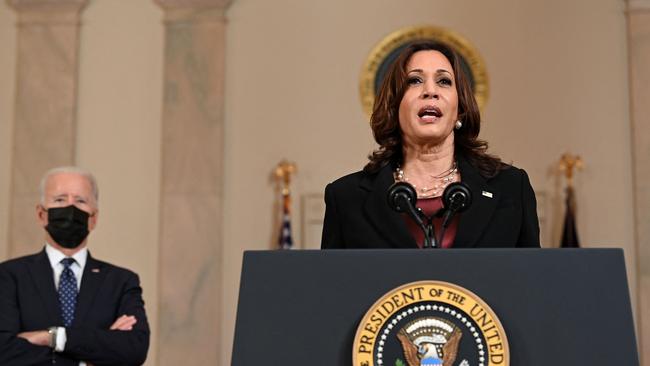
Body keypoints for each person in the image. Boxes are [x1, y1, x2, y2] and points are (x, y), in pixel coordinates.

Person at [321, 42, 540, 249]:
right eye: (414, 80)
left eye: (444, 81)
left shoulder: (511, 188)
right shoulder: (346, 198)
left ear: (460, 109)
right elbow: (333, 286)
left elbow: (530, 283)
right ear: (394, 106)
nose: (430, 91)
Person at [0, 167, 150, 365]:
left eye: (80, 201)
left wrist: (53, 337)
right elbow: (4, 351)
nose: (70, 209)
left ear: (93, 218)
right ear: (41, 215)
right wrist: (87, 358)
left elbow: (134, 348)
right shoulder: (9, 275)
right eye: (60, 200)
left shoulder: (121, 281)